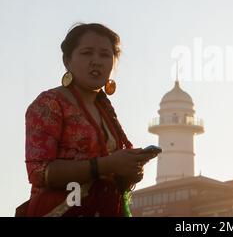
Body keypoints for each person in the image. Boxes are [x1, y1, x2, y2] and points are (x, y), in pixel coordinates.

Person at [21, 23, 156, 217]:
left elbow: (111, 172)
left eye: (105, 55)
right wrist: (107, 165)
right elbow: (39, 171)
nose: (96, 61)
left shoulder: (105, 109)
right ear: (67, 60)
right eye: (86, 53)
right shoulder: (50, 103)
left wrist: (130, 170)